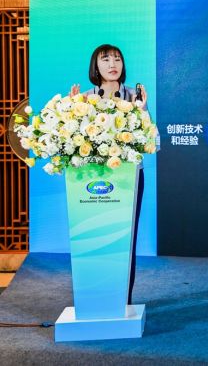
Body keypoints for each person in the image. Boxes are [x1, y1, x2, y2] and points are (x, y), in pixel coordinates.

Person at [70, 44, 148, 305]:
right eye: (105, 60)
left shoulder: (134, 96)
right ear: (96, 66)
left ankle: (123, 299)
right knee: (96, 236)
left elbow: (150, 138)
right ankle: (95, 299)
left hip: (129, 178)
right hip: (92, 180)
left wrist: (142, 111)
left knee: (126, 239)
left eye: (117, 59)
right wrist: (71, 112)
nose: (113, 64)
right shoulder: (85, 99)